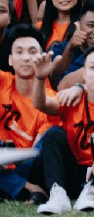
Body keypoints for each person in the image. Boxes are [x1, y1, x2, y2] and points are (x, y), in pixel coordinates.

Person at [29, 44, 94, 213]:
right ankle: (58, 194)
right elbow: (41, 105)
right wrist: (40, 78)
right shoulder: (73, 97)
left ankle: (93, 191)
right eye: (92, 68)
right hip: (74, 172)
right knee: (53, 134)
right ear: (84, 73)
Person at [0, 25, 55, 202]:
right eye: (19, 52)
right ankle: (24, 188)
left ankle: (12, 187)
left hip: (28, 165)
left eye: (32, 52)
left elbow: (37, 151)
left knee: (52, 136)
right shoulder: (2, 82)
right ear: (10, 60)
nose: (26, 58)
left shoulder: (50, 101)